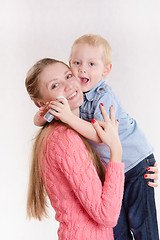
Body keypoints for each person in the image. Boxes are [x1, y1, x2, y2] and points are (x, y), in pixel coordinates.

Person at [34, 35, 159, 239]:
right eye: (76, 63)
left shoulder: (103, 95)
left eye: (91, 64)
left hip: (136, 164)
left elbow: (103, 136)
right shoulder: (76, 99)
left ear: (105, 70)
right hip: (114, 172)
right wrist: (43, 115)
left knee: (142, 227)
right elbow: (46, 115)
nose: (83, 69)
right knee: (118, 232)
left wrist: (66, 117)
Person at [25, 58, 125, 240]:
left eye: (68, 76)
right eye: (55, 86)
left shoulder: (66, 133)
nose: (68, 85)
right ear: (42, 104)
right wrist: (116, 152)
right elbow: (106, 215)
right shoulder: (65, 139)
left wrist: (142, 170)